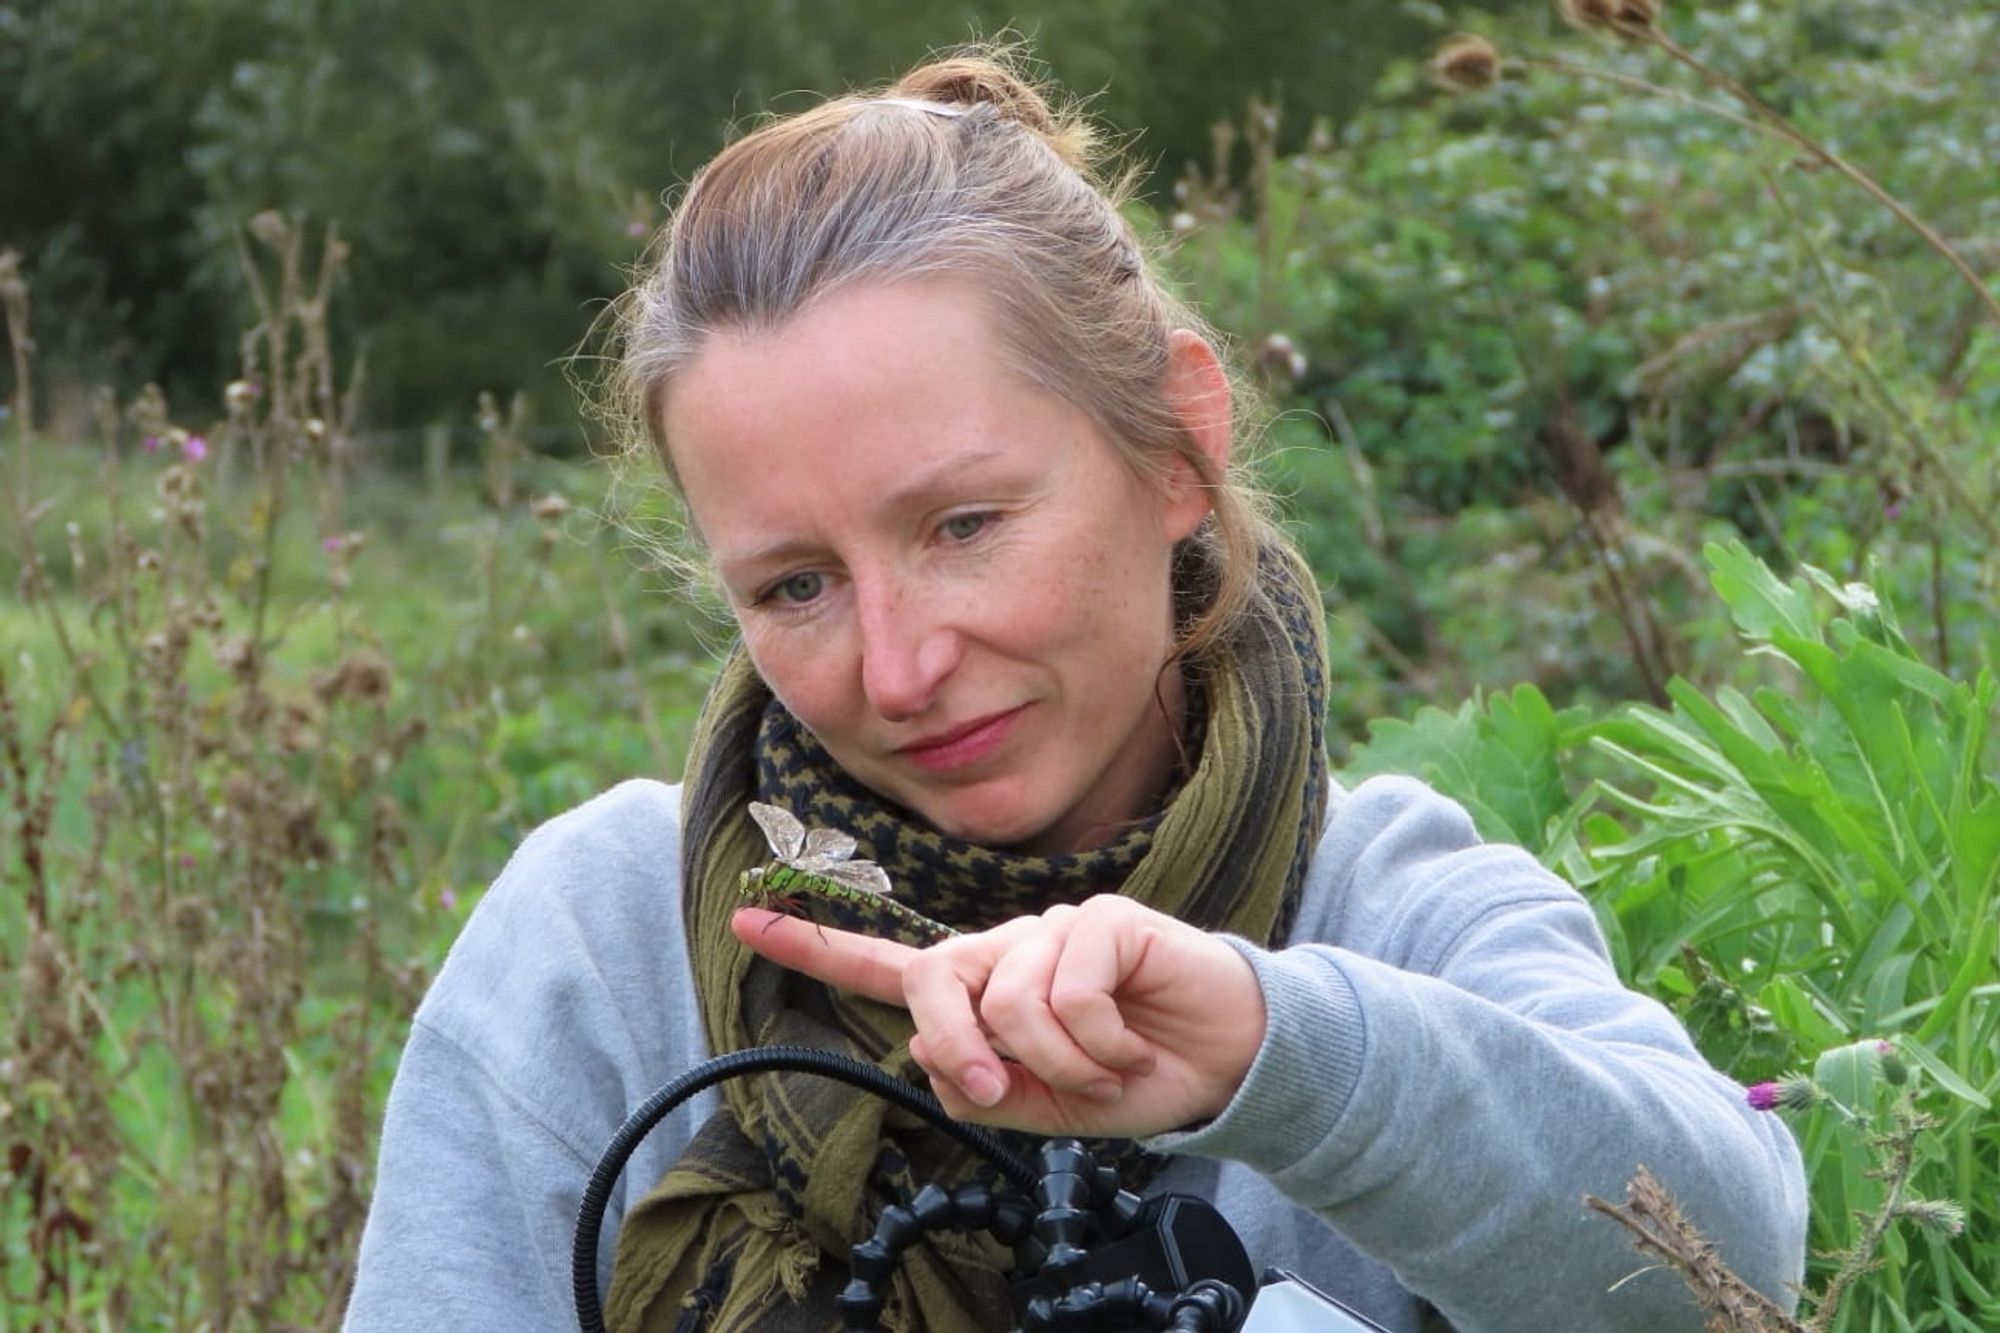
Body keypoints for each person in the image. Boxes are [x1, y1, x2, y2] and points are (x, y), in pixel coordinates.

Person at [344, 47, 1807, 1333]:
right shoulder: (603, 945)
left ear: (1175, 446)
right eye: (796, 585)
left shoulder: (1391, 908)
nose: (901, 667)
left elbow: (1734, 1270)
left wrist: (1273, 1053)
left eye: (963, 526)